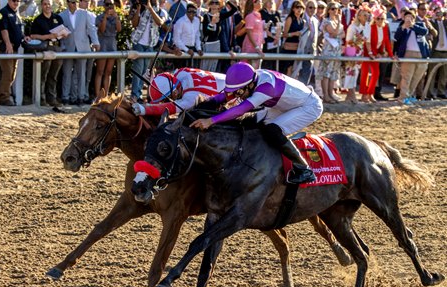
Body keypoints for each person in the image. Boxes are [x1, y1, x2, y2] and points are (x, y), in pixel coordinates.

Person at [190, 62, 322, 184]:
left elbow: (239, 111)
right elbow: (224, 96)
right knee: (254, 126)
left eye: (240, 92)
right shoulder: (249, 79)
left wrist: (211, 121)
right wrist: (203, 106)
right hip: (283, 105)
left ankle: (303, 169)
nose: (238, 95)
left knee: (272, 131)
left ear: (250, 85)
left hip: (308, 106)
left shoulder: (266, 88)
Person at [132, 67, 226, 116]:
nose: (164, 103)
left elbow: (169, 108)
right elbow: (168, 77)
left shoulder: (191, 98)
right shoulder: (181, 72)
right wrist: (154, 80)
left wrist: (145, 109)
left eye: (165, 100)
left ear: (175, 93)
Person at [59, 0, 100, 105]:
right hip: (68, 48)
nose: (75, 4)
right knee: (66, 73)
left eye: (76, 2)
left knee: (82, 73)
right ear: (68, 3)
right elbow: (59, 33)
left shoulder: (85, 13)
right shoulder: (61, 15)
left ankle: (80, 96)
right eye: (72, 2)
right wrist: (62, 46)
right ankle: (66, 97)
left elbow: (91, 29)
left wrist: (95, 42)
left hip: (83, 47)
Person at [29, 0, 66, 107]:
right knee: (43, 74)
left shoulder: (57, 18)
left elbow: (62, 31)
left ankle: (52, 98)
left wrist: (63, 34)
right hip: (45, 48)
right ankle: (41, 99)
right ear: (41, 6)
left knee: (54, 76)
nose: (47, 6)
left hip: (57, 47)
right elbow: (33, 36)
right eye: (45, 4)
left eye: (49, 4)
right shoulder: (38, 20)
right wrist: (47, 37)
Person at [129, 0, 165, 103]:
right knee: (138, 69)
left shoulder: (159, 10)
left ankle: (139, 94)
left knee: (145, 71)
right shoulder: (136, 7)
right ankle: (135, 95)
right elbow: (134, 24)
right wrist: (139, 9)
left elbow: (160, 23)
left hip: (150, 44)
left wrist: (150, 8)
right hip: (138, 42)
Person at [0, 0, 29, 106]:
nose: (16, 3)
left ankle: (4, 95)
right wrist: (8, 43)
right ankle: (3, 97)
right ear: (9, 1)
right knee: (7, 72)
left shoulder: (16, 13)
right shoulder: (4, 12)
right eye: (14, 1)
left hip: (15, 47)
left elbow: (18, 30)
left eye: (18, 1)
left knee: (12, 74)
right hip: (6, 47)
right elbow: (3, 30)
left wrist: (24, 37)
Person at [360, 5, 395, 103]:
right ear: (374, 19)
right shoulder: (370, 27)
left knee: (376, 73)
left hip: (375, 53)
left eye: (382, 18)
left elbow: (387, 42)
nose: (380, 20)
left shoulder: (384, 28)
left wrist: (391, 55)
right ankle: (364, 95)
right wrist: (373, 53)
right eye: (378, 18)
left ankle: (370, 94)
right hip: (367, 52)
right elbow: (368, 42)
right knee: (365, 74)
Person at [393, 9, 429, 104]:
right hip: (407, 54)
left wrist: (413, 26)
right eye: (406, 17)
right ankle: (402, 98)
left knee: (416, 77)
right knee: (406, 77)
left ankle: (409, 96)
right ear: (404, 18)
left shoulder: (419, 25)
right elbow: (396, 38)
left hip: (421, 55)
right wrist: (404, 27)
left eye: (411, 17)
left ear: (414, 18)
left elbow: (425, 32)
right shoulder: (402, 27)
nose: (408, 19)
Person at [316, 2, 344, 104]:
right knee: (326, 73)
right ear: (328, 10)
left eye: (336, 9)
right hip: (328, 50)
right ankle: (326, 95)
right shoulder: (326, 21)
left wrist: (337, 32)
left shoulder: (336, 22)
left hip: (337, 50)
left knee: (334, 73)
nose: (335, 11)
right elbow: (335, 33)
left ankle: (331, 93)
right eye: (332, 9)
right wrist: (337, 31)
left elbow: (342, 34)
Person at [343, 4, 370, 104]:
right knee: (351, 73)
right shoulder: (352, 27)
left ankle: (349, 96)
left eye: (367, 16)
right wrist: (357, 39)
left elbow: (367, 41)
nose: (366, 17)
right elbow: (348, 41)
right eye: (364, 15)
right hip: (352, 52)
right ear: (359, 16)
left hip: (359, 52)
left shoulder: (367, 26)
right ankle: (352, 95)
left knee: (355, 73)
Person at [201, 0, 238, 72]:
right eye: (212, 3)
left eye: (216, 3)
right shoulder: (206, 16)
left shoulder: (220, 15)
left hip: (217, 45)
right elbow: (206, 33)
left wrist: (227, 1)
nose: (214, 5)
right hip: (208, 45)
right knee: (206, 67)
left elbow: (234, 10)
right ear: (210, 5)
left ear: (219, 5)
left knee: (214, 68)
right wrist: (212, 23)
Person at [94, 0, 122, 96]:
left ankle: (105, 95)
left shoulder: (115, 17)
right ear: (103, 6)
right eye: (107, 4)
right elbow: (101, 30)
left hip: (112, 43)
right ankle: (98, 95)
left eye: (111, 5)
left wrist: (117, 18)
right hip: (103, 43)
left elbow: (119, 30)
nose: (109, 7)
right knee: (100, 71)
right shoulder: (99, 17)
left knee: (108, 72)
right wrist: (105, 17)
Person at [173, 3, 203, 68]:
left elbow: (197, 36)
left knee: (193, 73)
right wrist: (187, 50)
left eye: (194, 11)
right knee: (181, 73)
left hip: (192, 50)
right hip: (182, 51)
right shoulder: (180, 21)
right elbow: (176, 39)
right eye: (189, 11)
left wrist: (199, 49)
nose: (191, 13)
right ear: (186, 11)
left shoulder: (197, 21)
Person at [281, 0, 305, 75]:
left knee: (295, 70)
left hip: (298, 48)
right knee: (288, 69)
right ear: (293, 9)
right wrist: (294, 34)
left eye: (301, 7)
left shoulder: (302, 21)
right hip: (288, 48)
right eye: (297, 7)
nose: (299, 9)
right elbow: (284, 34)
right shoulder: (290, 18)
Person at [428, 7, 447, 99]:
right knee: (432, 73)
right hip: (435, 51)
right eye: (437, 13)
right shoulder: (432, 23)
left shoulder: (446, 23)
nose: (439, 15)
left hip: (445, 51)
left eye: (441, 13)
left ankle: (441, 91)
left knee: (444, 74)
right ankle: (430, 92)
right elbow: (430, 30)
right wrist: (433, 19)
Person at [241, 0, 265, 69]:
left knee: (257, 69)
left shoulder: (258, 15)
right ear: (254, 4)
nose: (261, 3)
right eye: (259, 2)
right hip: (251, 46)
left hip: (258, 44)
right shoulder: (250, 16)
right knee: (249, 68)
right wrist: (256, 47)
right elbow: (249, 32)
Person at [260, 0, 282, 70]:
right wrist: (273, 36)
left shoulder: (276, 14)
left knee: (275, 63)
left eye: (272, 2)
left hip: (276, 42)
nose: (271, 3)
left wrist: (277, 37)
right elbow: (263, 27)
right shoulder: (262, 13)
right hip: (266, 41)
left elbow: (279, 26)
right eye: (269, 2)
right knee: (267, 63)